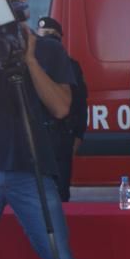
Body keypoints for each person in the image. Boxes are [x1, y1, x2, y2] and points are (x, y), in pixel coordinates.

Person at [0, 0, 130, 259]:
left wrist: (29, 60)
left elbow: (60, 107)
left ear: (22, 0)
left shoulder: (50, 52)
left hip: (29, 172)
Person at [37, 16, 88, 202]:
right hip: (36, 137)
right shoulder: (29, 66)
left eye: (52, 35)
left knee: (60, 195)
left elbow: (81, 104)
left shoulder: (71, 66)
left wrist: (78, 135)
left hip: (61, 137)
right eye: (44, 35)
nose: (48, 39)